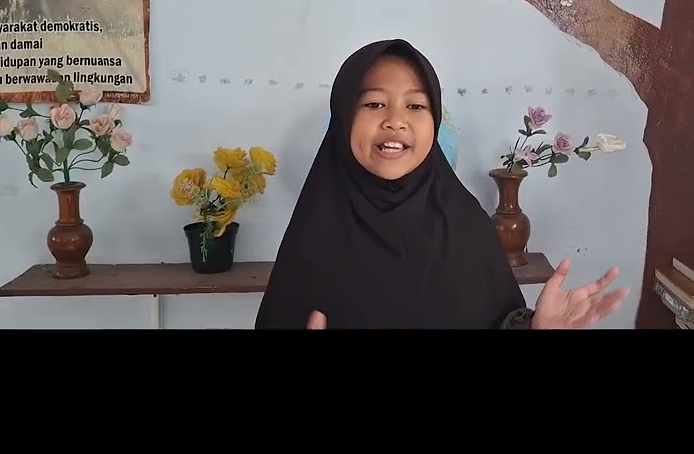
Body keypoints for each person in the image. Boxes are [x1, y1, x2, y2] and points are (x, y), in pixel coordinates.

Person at [255, 39, 629, 330]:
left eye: (416, 106)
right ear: (342, 119)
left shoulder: (466, 227)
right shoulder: (314, 238)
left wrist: (535, 328)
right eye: (373, 104)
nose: (395, 120)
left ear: (434, 122)